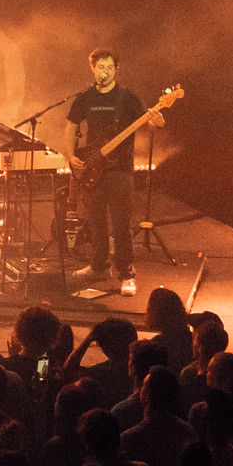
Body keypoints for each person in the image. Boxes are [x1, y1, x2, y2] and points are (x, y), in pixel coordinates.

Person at [64, 48, 164, 296]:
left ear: (116, 69)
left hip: (120, 170)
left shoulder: (127, 98)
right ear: (93, 69)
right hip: (92, 166)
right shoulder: (85, 97)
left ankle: (127, 274)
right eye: (100, 67)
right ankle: (98, 267)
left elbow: (151, 124)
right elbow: (70, 127)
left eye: (109, 67)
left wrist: (158, 118)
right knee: (96, 221)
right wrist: (71, 155)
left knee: (121, 224)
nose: (105, 72)